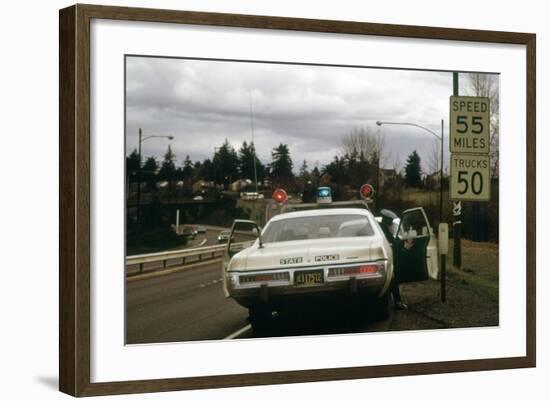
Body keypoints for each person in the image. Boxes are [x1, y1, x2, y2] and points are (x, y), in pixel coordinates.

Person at [379, 209, 409, 310]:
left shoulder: (380, 228)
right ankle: (397, 301)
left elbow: (392, 241)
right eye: (390, 221)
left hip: (382, 259)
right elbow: (392, 244)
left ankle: (394, 300)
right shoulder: (384, 229)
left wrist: (400, 241)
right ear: (387, 221)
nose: (391, 223)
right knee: (393, 279)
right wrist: (403, 244)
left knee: (392, 280)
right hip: (386, 259)